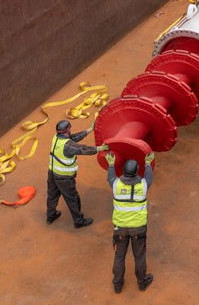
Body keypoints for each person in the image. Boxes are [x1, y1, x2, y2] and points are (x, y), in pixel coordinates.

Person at [105, 153, 155, 294]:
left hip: (120, 228)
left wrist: (110, 163)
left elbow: (110, 177)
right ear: (136, 172)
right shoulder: (143, 186)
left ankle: (118, 284)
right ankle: (142, 282)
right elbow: (149, 177)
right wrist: (147, 163)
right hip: (138, 228)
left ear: (125, 172)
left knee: (119, 256)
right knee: (139, 256)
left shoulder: (116, 185)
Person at [46, 120, 108, 228]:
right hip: (64, 178)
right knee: (73, 199)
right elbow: (82, 149)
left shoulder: (56, 138)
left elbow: (72, 138)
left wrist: (88, 130)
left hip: (52, 173)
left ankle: (50, 216)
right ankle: (78, 221)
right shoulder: (68, 146)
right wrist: (99, 148)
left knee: (52, 196)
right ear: (68, 129)